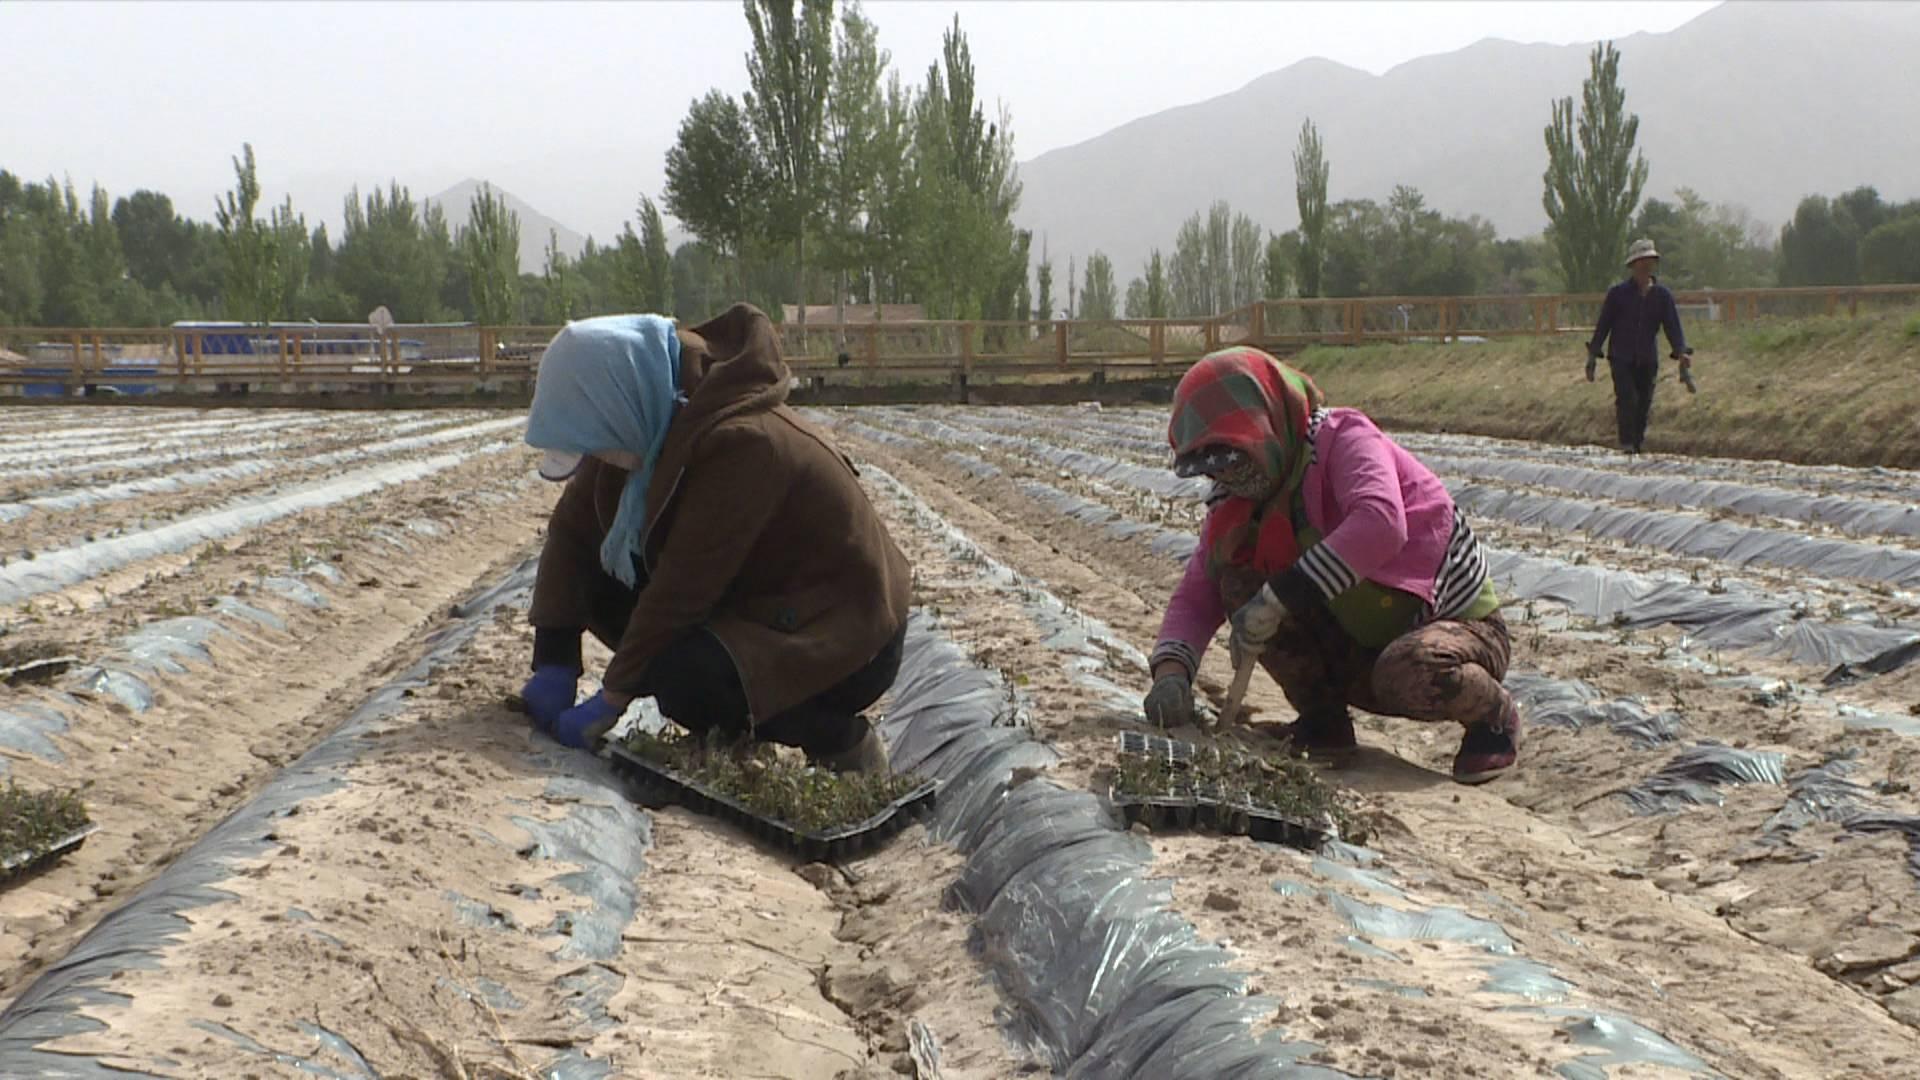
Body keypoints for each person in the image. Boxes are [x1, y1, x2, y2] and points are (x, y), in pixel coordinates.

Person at [518, 304, 910, 774]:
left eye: (596, 444)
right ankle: (736, 719)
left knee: (682, 680)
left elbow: (683, 589)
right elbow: (572, 531)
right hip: (757, 605)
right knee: (603, 594)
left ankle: (838, 739)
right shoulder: (645, 416)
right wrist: (554, 656)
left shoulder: (743, 443)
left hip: (841, 633)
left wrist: (613, 698)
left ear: (619, 400)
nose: (598, 459)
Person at [1141, 347, 1520, 784]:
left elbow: (1381, 523)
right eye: (1215, 469)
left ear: (1265, 425)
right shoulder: (1236, 501)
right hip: (1361, 637)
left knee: (1413, 667)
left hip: (1448, 626)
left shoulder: (1342, 438)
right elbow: (1198, 592)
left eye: (1234, 459)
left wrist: (1280, 596)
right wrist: (1172, 674)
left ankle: (1494, 716)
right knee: (1239, 584)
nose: (1228, 478)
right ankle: (1324, 723)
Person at [1586, 237, 1694, 454]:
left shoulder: (1662, 296)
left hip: (1647, 358)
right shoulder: (1617, 294)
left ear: (1654, 264)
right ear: (1633, 265)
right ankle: (1626, 443)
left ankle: (1637, 443)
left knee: (1644, 403)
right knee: (1627, 399)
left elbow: (1672, 326)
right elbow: (1604, 324)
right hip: (1621, 356)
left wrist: (1681, 351)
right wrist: (1593, 354)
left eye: (1649, 261)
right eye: (1641, 262)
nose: (1645, 266)